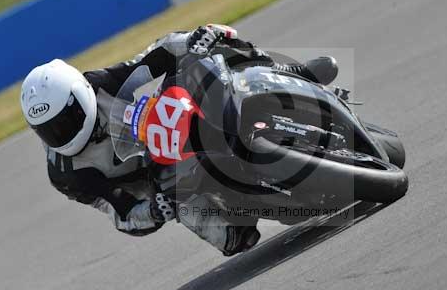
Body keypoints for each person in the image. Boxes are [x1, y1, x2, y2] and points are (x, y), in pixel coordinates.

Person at [20, 25, 338, 256]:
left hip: (165, 125)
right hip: (161, 181)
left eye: (64, 121)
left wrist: (192, 40)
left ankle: (285, 74)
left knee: (202, 60)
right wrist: (153, 211)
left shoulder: (98, 85)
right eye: (48, 130)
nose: (59, 134)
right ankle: (253, 202)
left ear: (80, 96)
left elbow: (155, 56)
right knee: (232, 239)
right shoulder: (66, 174)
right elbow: (119, 213)